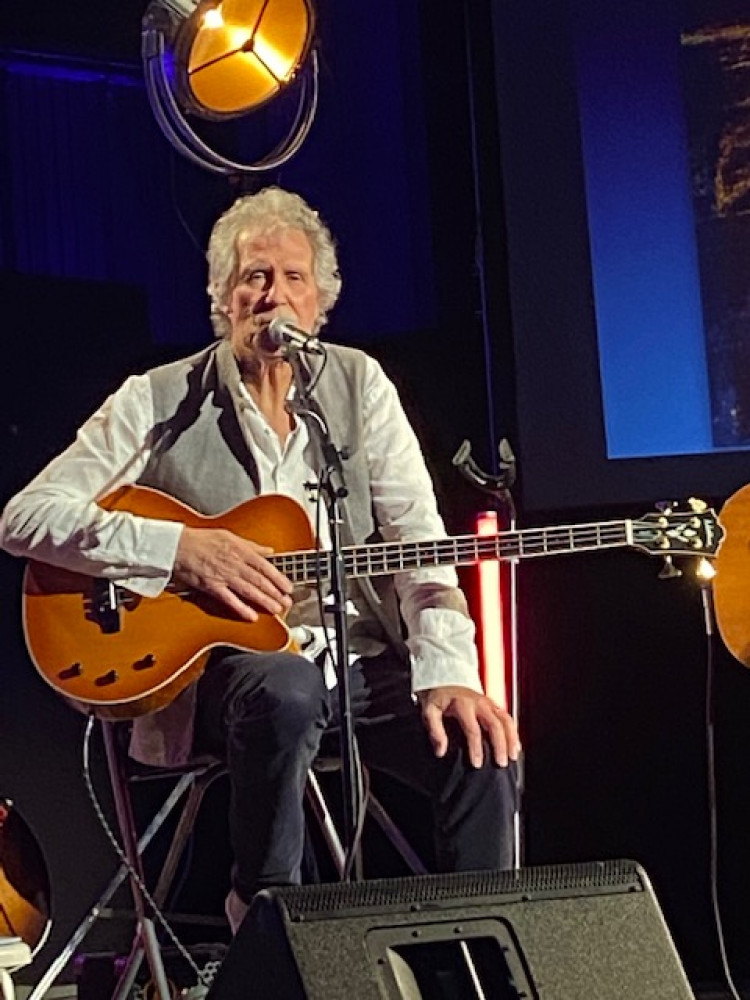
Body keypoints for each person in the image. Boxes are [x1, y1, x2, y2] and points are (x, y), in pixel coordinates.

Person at [0, 186, 520, 933]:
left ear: (320, 304)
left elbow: (417, 540)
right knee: (286, 686)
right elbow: (26, 517)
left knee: (480, 744)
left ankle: (479, 947)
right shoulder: (160, 396)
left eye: (293, 279)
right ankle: (270, 920)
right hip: (226, 681)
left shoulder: (358, 384)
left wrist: (450, 674)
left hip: (355, 665)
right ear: (223, 297)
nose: (273, 296)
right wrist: (182, 550)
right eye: (254, 277)